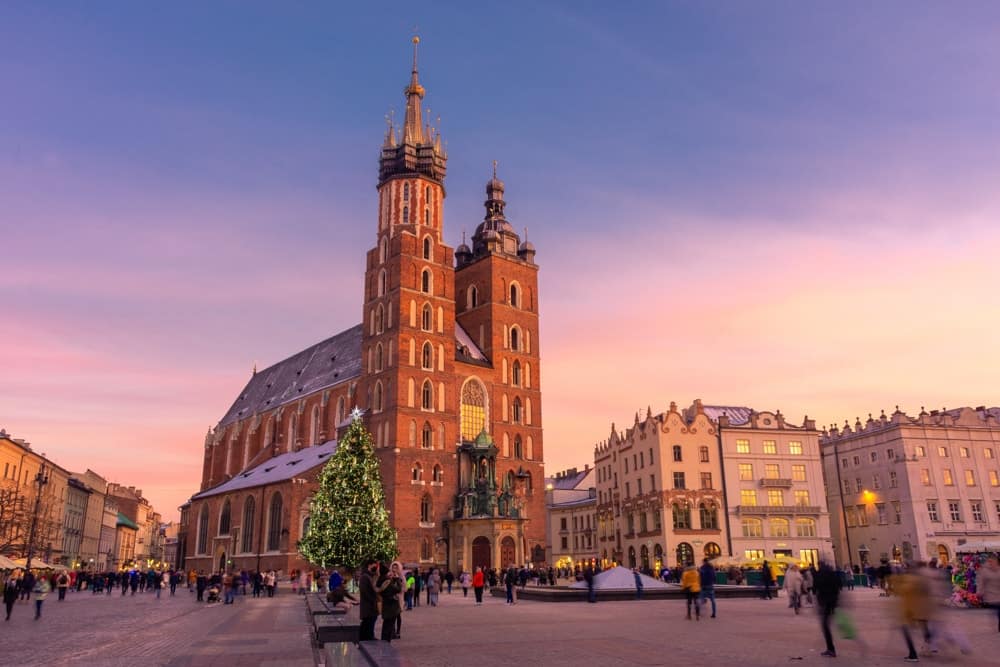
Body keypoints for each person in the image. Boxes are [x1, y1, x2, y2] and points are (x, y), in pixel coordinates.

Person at [814, 561, 841, 658]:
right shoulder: (833, 574)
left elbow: (816, 588)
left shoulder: (820, 575)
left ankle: (831, 649)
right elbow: (839, 586)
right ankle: (830, 648)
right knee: (826, 624)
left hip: (825, 602)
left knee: (825, 626)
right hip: (832, 602)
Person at [377, 562, 403, 642]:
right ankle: (385, 644)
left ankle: (385, 642)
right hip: (391, 607)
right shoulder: (387, 581)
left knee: (386, 626)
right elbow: (398, 589)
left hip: (386, 605)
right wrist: (397, 579)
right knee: (388, 627)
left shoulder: (380, 580)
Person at [359, 559, 380, 641]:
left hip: (370, 604)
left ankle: (369, 636)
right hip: (368, 605)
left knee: (370, 621)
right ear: (369, 565)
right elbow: (364, 591)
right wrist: (372, 600)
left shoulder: (370, 575)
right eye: (374, 565)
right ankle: (365, 638)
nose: (376, 567)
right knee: (367, 621)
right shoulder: (365, 576)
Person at [979, 556, 1000, 633]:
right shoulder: (985, 571)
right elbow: (981, 582)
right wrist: (980, 592)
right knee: (996, 611)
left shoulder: (999, 570)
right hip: (990, 595)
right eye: (990, 561)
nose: (992, 563)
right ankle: (996, 624)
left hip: (999, 595)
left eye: (994, 561)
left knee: (999, 612)